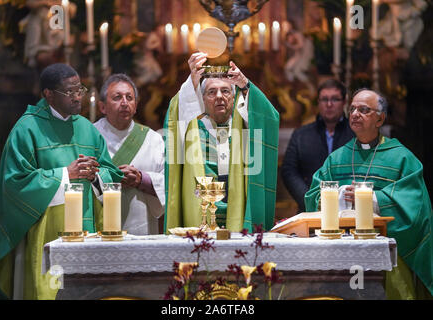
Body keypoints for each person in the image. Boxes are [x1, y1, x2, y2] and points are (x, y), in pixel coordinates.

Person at [0, 63, 123, 300]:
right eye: (69, 92)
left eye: (79, 89)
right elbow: (15, 183)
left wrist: (95, 176)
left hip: (86, 230)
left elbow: (109, 174)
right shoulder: (27, 128)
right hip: (45, 234)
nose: (77, 96)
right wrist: (65, 174)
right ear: (48, 94)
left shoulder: (87, 129)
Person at [305, 88, 432, 299]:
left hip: (390, 254)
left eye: (364, 110)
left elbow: (415, 206)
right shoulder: (337, 158)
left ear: (380, 119)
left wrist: (371, 199)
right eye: (352, 108)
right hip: (340, 254)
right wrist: (339, 195)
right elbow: (313, 197)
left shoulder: (401, 158)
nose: (355, 114)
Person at [164, 52, 280, 233]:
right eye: (211, 92)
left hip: (239, 213)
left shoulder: (245, 126)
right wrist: (192, 82)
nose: (219, 96)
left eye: (225, 91)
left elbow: (268, 117)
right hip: (199, 214)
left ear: (234, 98)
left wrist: (245, 85)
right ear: (201, 99)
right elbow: (177, 112)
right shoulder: (190, 128)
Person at [94, 74, 165, 235]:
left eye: (129, 97)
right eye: (117, 97)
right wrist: (110, 179)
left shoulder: (153, 139)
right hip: (100, 228)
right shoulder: (89, 137)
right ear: (102, 107)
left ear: (136, 105)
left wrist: (142, 179)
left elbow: (169, 183)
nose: (124, 103)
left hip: (142, 226)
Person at [281, 79, 354, 212]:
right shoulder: (301, 134)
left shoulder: (355, 133)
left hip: (348, 208)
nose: (329, 104)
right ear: (318, 103)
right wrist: (310, 200)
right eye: (324, 99)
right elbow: (289, 171)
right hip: (309, 209)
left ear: (344, 102)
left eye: (335, 99)